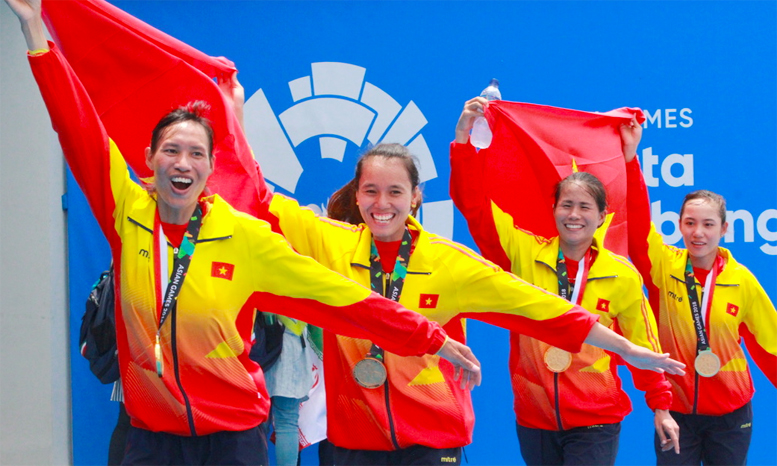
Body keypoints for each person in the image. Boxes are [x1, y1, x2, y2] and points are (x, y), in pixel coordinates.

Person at [5, 1, 483, 464]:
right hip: (152, 437)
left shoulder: (245, 237)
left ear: (213, 167)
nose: (183, 162)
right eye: (171, 150)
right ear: (149, 161)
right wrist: (36, 32)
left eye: (197, 154)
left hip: (233, 440)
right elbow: (77, 126)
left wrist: (432, 338)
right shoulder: (124, 210)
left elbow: (343, 297)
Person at [252, 138, 685, 465]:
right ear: (357, 194)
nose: (381, 204)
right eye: (371, 191)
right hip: (353, 441)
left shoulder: (449, 262)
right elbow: (257, 198)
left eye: (395, 192)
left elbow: (537, 307)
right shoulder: (328, 242)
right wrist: (230, 108)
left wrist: (626, 349)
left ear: (416, 196)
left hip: (432, 438)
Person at [449, 97, 681, 466]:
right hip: (534, 416)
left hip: (596, 418)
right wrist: (463, 142)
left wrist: (662, 406)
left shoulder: (621, 274)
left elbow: (641, 344)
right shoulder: (523, 254)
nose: (574, 215)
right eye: (566, 205)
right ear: (553, 209)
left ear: (603, 216)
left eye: (585, 207)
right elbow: (474, 206)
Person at [621, 119, 777, 466]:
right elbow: (635, 222)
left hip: (731, 413)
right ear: (679, 225)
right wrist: (631, 158)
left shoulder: (743, 281)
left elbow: (771, 345)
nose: (698, 232)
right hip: (675, 410)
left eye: (708, 224)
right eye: (690, 223)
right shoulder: (663, 267)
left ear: (724, 228)